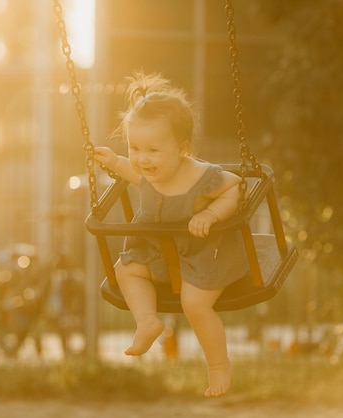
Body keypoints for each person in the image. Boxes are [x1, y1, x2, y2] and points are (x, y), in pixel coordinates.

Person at [93, 72, 249, 398]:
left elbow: (236, 188)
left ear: (181, 149)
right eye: (135, 147)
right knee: (125, 269)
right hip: (163, 252)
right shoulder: (144, 170)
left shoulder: (200, 176)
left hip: (205, 254)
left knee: (194, 304)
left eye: (152, 150)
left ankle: (219, 365)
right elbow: (127, 168)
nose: (142, 159)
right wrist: (113, 160)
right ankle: (147, 321)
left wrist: (210, 213)